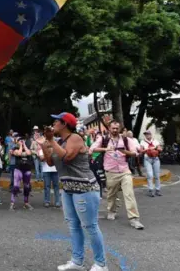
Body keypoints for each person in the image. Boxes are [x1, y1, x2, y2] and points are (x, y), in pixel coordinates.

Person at [36, 112, 107, 271]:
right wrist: (44, 145)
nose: (53, 124)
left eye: (56, 121)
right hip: (68, 188)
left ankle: (101, 264)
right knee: (73, 226)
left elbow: (66, 157)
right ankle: (77, 261)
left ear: (64, 124)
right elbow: (51, 162)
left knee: (90, 226)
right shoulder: (59, 141)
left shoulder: (75, 138)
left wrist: (51, 141)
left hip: (84, 189)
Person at [89, 121, 144, 230]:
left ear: (119, 129)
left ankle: (134, 219)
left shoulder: (125, 140)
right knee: (111, 194)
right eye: (113, 128)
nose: (115, 130)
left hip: (125, 171)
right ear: (109, 128)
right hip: (110, 171)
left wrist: (124, 151)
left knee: (129, 194)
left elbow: (135, 153)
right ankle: (111, 210)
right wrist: (105, 149)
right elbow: (92, 149)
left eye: (117, 128)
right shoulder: (104, 139)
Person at [36, 129, 61, 209]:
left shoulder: (55, 145)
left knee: (56, 186)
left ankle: (57, 201)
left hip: (55, 169)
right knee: (47, 186)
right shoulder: (41, 148)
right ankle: (47, 201)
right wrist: (48, 153)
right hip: (46, 170)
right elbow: (42, 158)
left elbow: (58, 157)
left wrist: (50, 153)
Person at [10, 137, 34, 211]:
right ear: (16, 142)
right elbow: (19, 154)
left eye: (22, 140)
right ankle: (12, 203)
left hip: (27, 170)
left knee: (26, 187)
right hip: (18, 170)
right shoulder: (14, 148)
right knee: (16, 186)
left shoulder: (27, 148)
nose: (21, 141)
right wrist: (20, 146)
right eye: (19, 140)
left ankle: (26, 203)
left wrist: (24, 145)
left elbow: (29, 153)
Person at [139, 131, 163, 197]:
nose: (147, 135)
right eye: (146, 134)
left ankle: (158, 190)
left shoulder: (155, 141)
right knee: (150, 175)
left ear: (151, 134)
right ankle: (151, 190)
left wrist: (155, 148)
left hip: (156, 159)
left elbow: (160, 149)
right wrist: (147, 149)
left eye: (148, 134)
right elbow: (140, 151)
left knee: (157, 175)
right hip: (147, 159)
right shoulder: (142, 142)